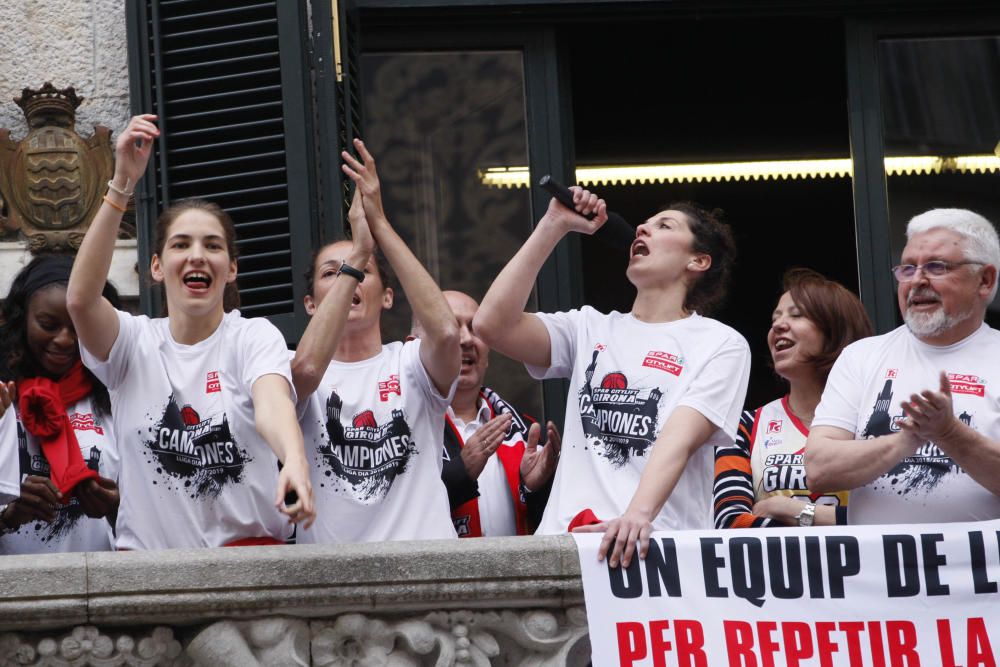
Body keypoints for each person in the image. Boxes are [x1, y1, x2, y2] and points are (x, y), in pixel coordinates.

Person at [65, 114, 314, 550]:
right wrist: (122, 183)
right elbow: (81, 300)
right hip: (151, 579)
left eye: (212, 246)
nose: (197, 256)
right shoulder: (132, 343)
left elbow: (273, 404)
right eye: (181, 244)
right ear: (157, 267)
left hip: (249, 570)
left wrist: (293, 458)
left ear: (231, 269)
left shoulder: (253, 337)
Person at [475, 188, 750, 567]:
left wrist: (637, 515)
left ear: (698, 261)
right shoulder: (589, 327)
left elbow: (680, 438)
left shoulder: (720, 344)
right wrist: (553, 225)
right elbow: (491, 325)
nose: (643, 228)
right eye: (644, 224)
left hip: (650, 550)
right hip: (566, 546)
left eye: (663, 225)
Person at [292, 138, 460, 543]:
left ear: (388, 296)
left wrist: (379, 227)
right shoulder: (286, 366)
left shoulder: (409, 363)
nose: (348, 278)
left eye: (361, 272)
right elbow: (306, 371)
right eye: (332, 273)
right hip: (331, 584)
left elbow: (446, 331)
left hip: (423, 571)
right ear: (311, 304)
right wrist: (359, 256)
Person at [806, 208, 1000, 524]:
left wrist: (950, 433)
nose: (918, 280)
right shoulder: (862, 357)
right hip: (876, 572)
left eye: (937, 267)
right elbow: (819, 469)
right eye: (907, 268)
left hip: (981, 572)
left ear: (985, 280)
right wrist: (905, 441)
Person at [713, 269, 872, 529]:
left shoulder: (879, 421)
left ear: (836, 329)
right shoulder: (745, 426)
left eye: (796, 315)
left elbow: (897, 518)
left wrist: (792, 510)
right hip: (775, 570)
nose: (778, 325)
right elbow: (731, 522)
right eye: (775, 318)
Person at [411, 290, 559, 537]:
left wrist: (536, 489)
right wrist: (462, 472)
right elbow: (395, 519)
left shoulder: (527, 432)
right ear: (412, 348)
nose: (466, 339)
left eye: (475, 328)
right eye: (449, 327)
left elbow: (555, 528)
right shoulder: (396, 433)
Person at [0, 255, 122, 553]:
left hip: (105, 588)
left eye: (78, 326)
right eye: (48, 324)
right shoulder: (3, 400)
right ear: (22, 320)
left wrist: (116, 509)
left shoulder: (118, 396)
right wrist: (9, 516)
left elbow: (161, 518)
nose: (65, 340)